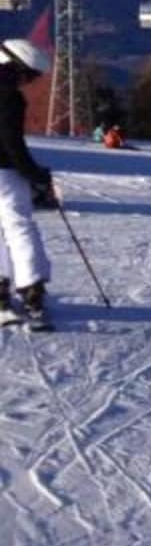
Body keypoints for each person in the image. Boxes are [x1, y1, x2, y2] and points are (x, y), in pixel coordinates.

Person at [0, 39, 55, 330]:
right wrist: (36, 175)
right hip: (4, 174)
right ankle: (31, 290)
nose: (28, 82)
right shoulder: (8, 97)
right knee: (19, 226)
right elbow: (11, 144)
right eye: (29, 75)